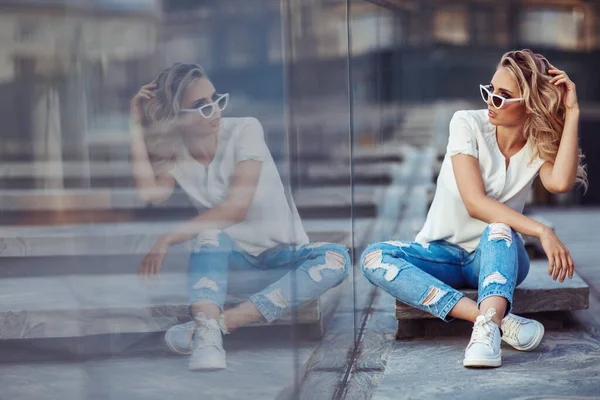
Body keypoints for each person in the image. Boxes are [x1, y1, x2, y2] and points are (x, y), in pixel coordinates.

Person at [360, 49, 587, 368]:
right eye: (490, 91)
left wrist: (572, 111)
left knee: (499, 229)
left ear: (531, 105)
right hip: (443, 254)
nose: (490, 101)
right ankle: (491, 322)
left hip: (498, 254)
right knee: (374, 257)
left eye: (503, 96)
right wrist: (541, 230)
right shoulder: (466, 123)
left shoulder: (538, 142)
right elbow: (475, 202)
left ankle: (486, 340)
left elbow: (560, 183)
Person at [129, 63, 351, 371]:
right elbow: (149, 195)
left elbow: (237, 208)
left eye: (216, 100)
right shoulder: (175, 157)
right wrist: (134, 123)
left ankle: (217, 325)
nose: (215, 111)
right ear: (176, 117)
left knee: (337, 259)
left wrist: (169, 237)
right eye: (201, 107)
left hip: (281, 259)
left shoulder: (246, 129)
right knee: (209, 235)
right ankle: (208, 343)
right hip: (230, 266)